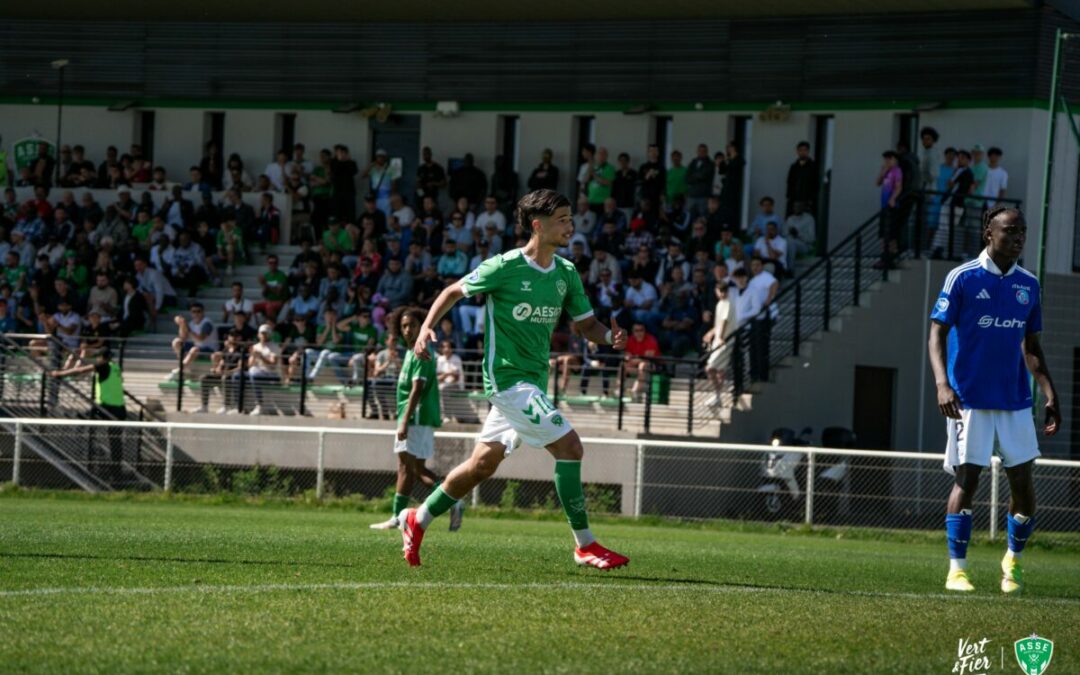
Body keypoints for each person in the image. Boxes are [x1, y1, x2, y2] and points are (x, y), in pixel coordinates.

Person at [398, 189, 630, 569]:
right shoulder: (504, 267)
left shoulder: (566, 273)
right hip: (506, 380)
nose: (570, 226)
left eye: (571, 219)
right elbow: (453, 291)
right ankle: (585, 544)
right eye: (562, 220)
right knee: (570, 448)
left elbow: (587, 324)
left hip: (533, 382)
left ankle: (417, 518)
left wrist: (609, 337)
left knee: (482, 464)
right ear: (537, 226)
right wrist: (425, 328)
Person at [928, 207, 1060, 594]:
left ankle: (1012, 562)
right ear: (989, 232)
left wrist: (1050, 392)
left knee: (1023, 483)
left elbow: (1031, 347)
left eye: (1023, 231)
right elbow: (936, 333)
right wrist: (942, 384)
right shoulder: (963, 277)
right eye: (1010, 230)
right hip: (968, 398)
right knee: (967, 478)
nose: (1018, 237)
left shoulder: (1029, 284)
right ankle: (957, 570)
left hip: (1015, 399)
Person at [369, 307, 463, 531]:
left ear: (422, 327)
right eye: (403, 326)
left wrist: (404, 421)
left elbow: (417, 388)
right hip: (417, 418)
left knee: (405, 467)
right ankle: (452, 501)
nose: (407, 330)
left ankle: (397, 517)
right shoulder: (412, 352)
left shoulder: (420, 351)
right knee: (416, 469)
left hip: (415, 418)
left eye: (412, 325)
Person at [50, 347, 126, 479]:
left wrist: (59, 374)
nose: (97, 359)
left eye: (98, 357)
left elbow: (80, 370)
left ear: (102, 357)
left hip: (106, 407)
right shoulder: (116, 368)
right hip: (120, 409)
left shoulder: (103, 365)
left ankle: (79, 431)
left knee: (85, 416)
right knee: (115, 440)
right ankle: (116, 471)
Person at [195, 330, 244, 414]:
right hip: (223, 374)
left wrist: (227, 372)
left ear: (240, 338)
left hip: (233, 377)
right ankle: (204, 406)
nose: (233, 338)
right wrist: (217, 369)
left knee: (226, 378)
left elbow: (240, 367)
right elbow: (222, 362)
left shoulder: (242, 350)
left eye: (236, 336)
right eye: (231, 336)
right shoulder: (227, 349)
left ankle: (226, 406)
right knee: (204, 378)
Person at [786, 141, 818, 218]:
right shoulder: (794, 167)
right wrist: (789, 196)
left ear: (808, 151)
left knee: (806, 220)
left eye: (805, 150)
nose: (803, 152)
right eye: (800, 150)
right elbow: (789, 182)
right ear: (797, 151)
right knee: (792, 219)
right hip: (794, 200)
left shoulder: (813, 167)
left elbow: (816, 184)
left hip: (807, 200)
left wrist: (812, 199)